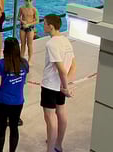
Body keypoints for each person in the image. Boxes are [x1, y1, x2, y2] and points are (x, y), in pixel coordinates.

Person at [41, 15, 76, 152]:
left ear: (51, 26)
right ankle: (58, 144)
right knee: (61, 113)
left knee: (50, 118)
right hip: (60, 86)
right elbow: (73, 66)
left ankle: (50, 149)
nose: (43, 26)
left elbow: (61, 68)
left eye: (44, 24)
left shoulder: (51, 44)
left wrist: (66, 87)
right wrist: (65, 84)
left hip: (50, 85)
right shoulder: (66, 41)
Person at [0, 38, 29, 152]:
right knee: (14, 128)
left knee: (1, 128)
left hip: (2, 101)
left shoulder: (1, 64)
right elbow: (24, 81)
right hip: (17, 101)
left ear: (5, 50)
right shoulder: (24, 63)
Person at [19, 0, 39, 65]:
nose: (28, 2)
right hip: (23, 27)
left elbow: (37, 20)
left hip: (30, 28)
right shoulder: (21, 8)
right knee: (22, 44)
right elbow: (18, 17)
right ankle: (21, 59)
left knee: (29, 44)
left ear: (32, 1)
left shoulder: (34, 9)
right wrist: (22, 21)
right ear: (24, 1)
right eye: (27, 0)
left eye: (30, 0)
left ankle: (29, 60)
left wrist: (29, 24)